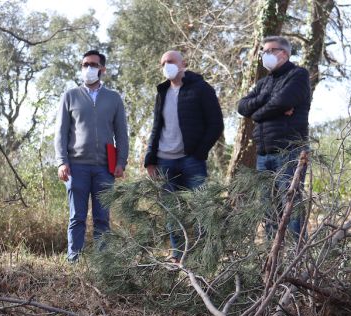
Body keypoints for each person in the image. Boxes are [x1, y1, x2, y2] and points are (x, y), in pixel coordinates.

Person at [143, 50, 224, 261]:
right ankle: (178, 255)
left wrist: (199, 152)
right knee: (172, 211)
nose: (166, 66)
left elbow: (216, 124)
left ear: (183, 64)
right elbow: (156, 127)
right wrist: (150, 160)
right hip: (164, 160)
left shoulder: (201, 88)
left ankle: (204, 255)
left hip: (192, 161)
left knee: (201, 207)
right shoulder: (162, 92)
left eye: (170, 61)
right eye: (162, 63)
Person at [54, 50, 129, 263]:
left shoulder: (114, 98)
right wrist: (62, 162)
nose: (88, 68)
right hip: (76, 167)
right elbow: (60, 132)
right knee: (77, 217)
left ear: (102, 69)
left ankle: (102, 262)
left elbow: (121, 133)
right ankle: (73, 260)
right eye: (85, 64)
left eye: (93, 65)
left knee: (102, 218)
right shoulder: (70, 96)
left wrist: (121, 162)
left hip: (105, 168)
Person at [236, 35, 311, 237]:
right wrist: (264, 101)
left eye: (270, 51)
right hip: (264, 155)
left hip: (290, 151)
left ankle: (298, 259)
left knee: (292, 206)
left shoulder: (298, 75)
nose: (265, 55)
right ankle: (271, 261)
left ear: (284, 53)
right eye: (263, 52)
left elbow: (283, 101)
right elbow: (242, 107)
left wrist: (257, 114)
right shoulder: (264, 83)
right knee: (268, 209)